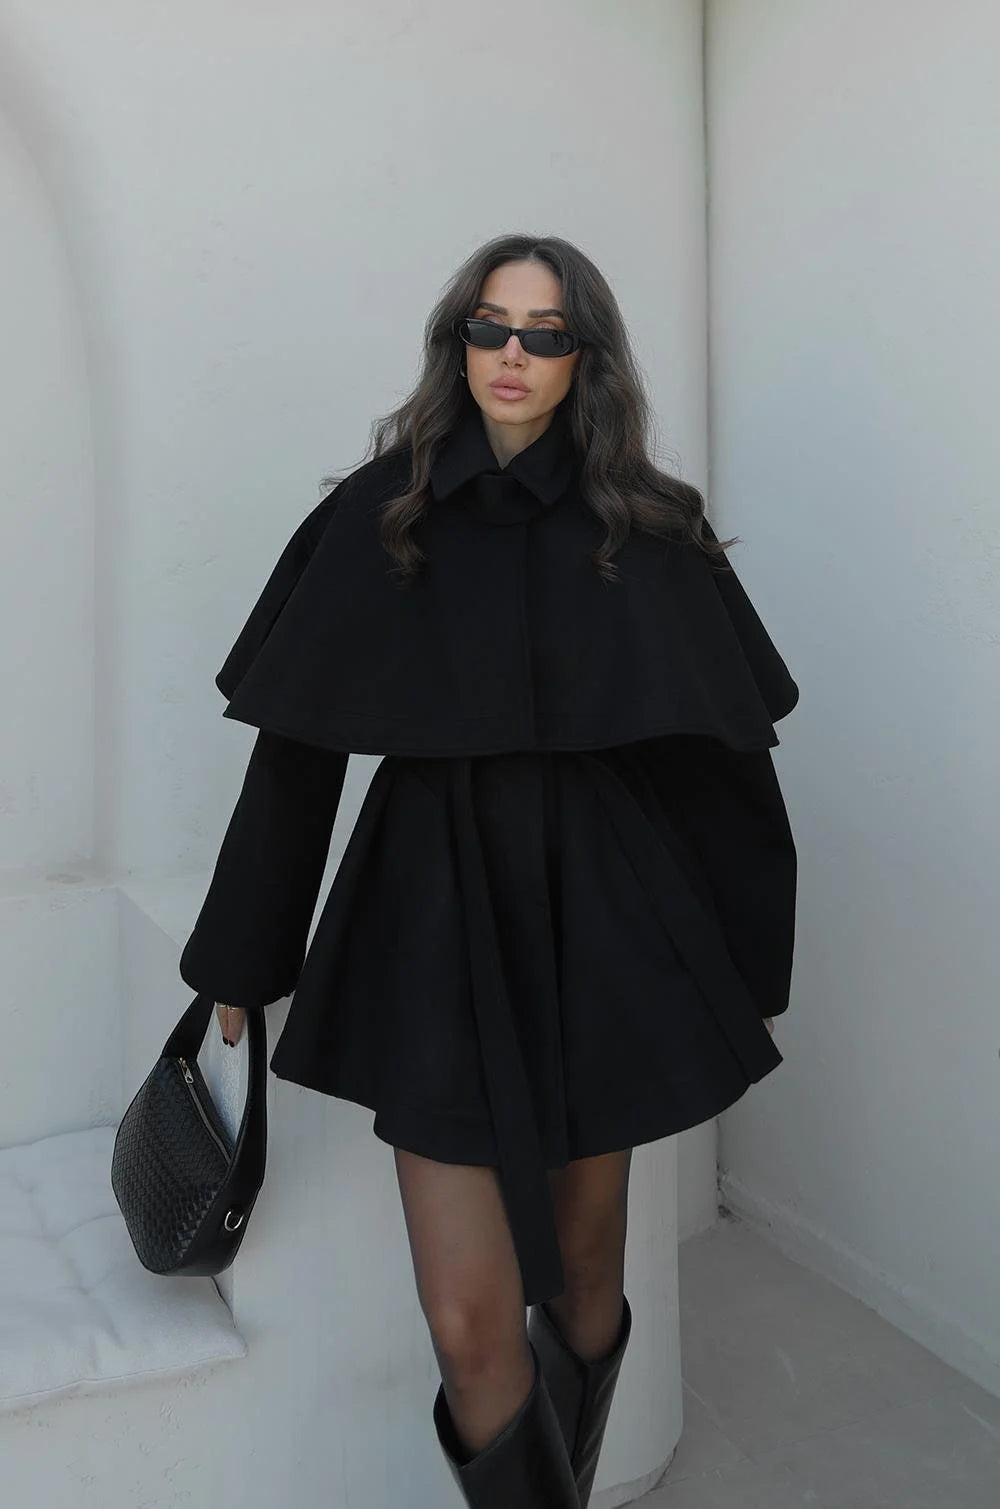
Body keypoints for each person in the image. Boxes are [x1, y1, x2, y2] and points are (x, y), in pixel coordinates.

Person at [179, 233, 798, 1507]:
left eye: (545, 334)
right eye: (489, 327)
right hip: (429, 907)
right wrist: (240, 960)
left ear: (585, 358)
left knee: (583, 1285)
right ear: (457, 341)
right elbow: (295, 756)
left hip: (605, 916)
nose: (512, 354)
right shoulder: (380, 510)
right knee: (468, 1321)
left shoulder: (648, 523)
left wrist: (743, 964)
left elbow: (726, 762)